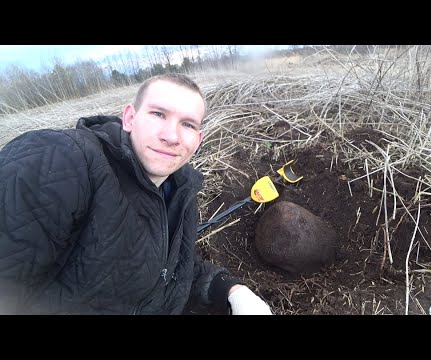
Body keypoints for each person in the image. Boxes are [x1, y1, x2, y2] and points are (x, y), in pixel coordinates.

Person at [0, 73, 272, 315]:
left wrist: (232, 291)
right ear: (129, 118)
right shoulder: (61, 160)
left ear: (198, 140)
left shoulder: (179, 191)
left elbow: (168, 271)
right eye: (158, 114)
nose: (171, 136)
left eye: (188, 124)